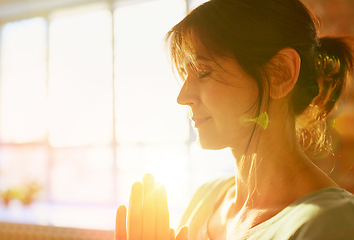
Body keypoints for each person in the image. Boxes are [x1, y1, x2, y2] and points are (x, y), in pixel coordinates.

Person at [115, 0, 354, 239]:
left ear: (280, 73)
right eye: (186, 75)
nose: (182, 96)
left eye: (203, 72)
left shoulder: (332, 222)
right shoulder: (206, 199)